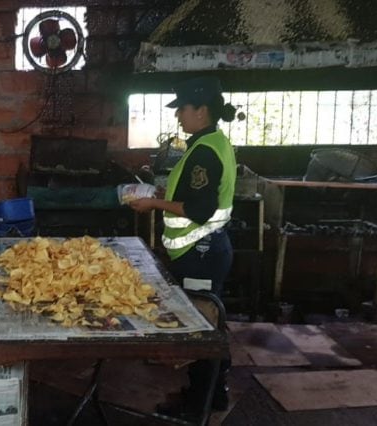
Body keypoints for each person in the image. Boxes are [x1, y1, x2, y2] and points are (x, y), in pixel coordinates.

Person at [128, 76, 237, 417]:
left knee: (200, 331)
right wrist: (163, 195)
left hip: (200, 254)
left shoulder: (205, 151)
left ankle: (197, 408)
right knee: (208, 323)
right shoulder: (211, 142)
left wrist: (154, 206)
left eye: (183, 110)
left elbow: (201, 211)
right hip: (203, 252)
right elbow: (194, 197)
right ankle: (210, 394)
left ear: (202, 111)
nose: (178, 117)